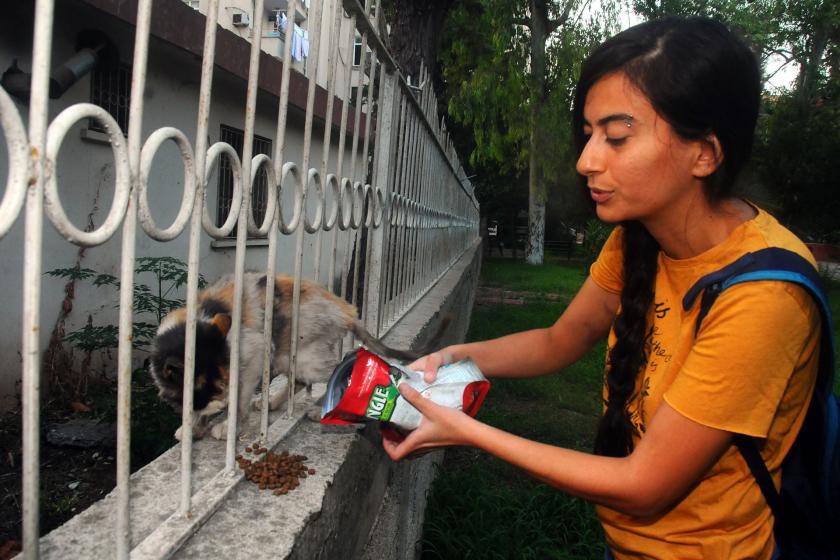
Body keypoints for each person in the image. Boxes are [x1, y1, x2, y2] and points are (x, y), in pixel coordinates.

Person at [383, 16, 821, 560]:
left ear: (705, 153)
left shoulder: (765, 298)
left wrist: (469, 434)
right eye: (589, 134)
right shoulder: (638, 236)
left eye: (616, 137)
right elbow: (558, 341)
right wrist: (450, 355)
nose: (586, 160)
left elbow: (644, 483)